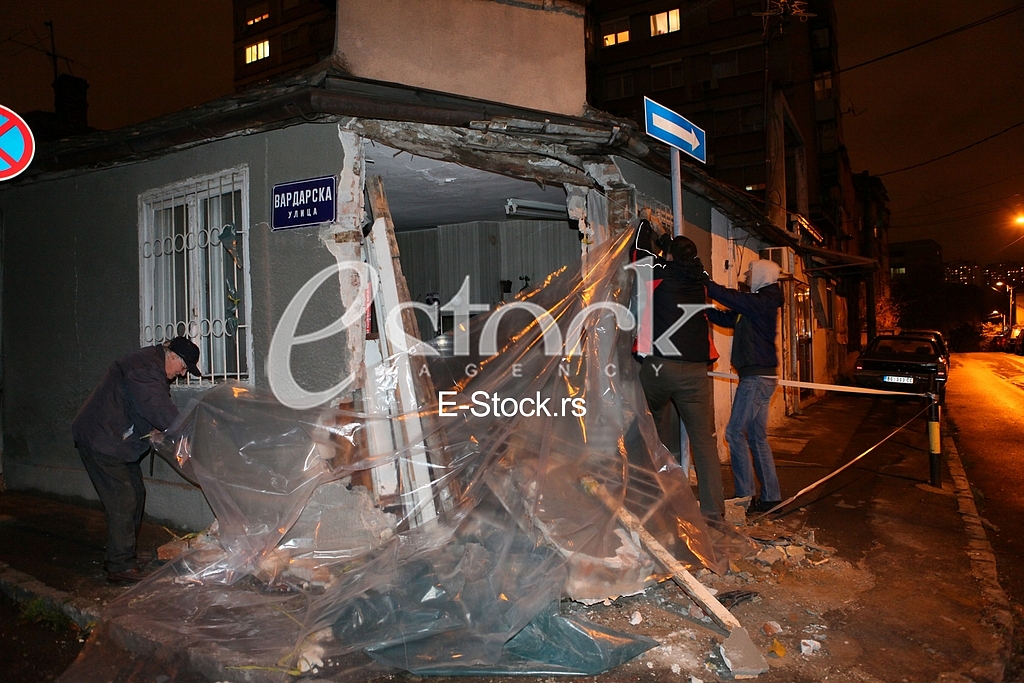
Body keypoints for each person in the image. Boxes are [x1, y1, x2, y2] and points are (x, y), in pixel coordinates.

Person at [72, 337, 201, 582]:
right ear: (173, 356)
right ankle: (120, 566)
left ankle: (123, 555)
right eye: (184, 368)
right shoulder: (144, 368)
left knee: (136, 494)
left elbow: (140, 405)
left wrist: (156, 430)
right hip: (102, 440)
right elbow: (157, 407)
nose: (182, 374)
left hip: (116, 441)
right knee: (123, 499)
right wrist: (186, 432)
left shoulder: (150, 366)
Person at [636, 230, 726, 521]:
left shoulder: (659, 272)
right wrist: (669, 245)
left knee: (649, 426)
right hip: (696, 370)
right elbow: (686, 260)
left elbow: (638, 250)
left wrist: (647, 229)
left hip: (661, 366)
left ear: (669, 256)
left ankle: (658, 501)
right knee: (704, 440)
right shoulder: (701, 278)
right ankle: (713, 513)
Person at [704, 260, 784, 514]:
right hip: (761, 377)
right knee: (757, 437)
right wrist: (704, 310)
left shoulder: (763, 301)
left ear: (762, 275)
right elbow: (730, 318)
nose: (747, 276)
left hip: (756, 378)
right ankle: (771, 498)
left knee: (734, 433)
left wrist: (705, 282)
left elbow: (733, 300)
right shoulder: (757, 303)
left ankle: (744, 497)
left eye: (751, 273)